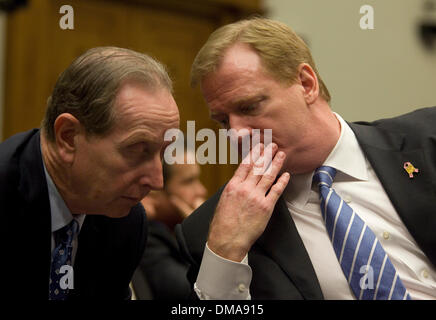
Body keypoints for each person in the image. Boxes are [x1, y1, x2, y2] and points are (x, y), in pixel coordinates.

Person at [175, 17, 436, 300]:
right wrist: (225, 254)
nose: (236, 135)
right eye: (224, 121)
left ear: (306, 83)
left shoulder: (427, 140)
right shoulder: (210, 232)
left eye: (249, 107)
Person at [0, 46, 180, 300]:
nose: (157, 181)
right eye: (139, 150)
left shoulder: (125, 221)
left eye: (163, 153)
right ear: (68, 137)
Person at [132, 150, 207, 299]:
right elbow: (194, 293)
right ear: (154, 191)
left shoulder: (172, 230)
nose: (201, 190)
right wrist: (203, 232)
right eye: (189, 181)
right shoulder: (145, 235)